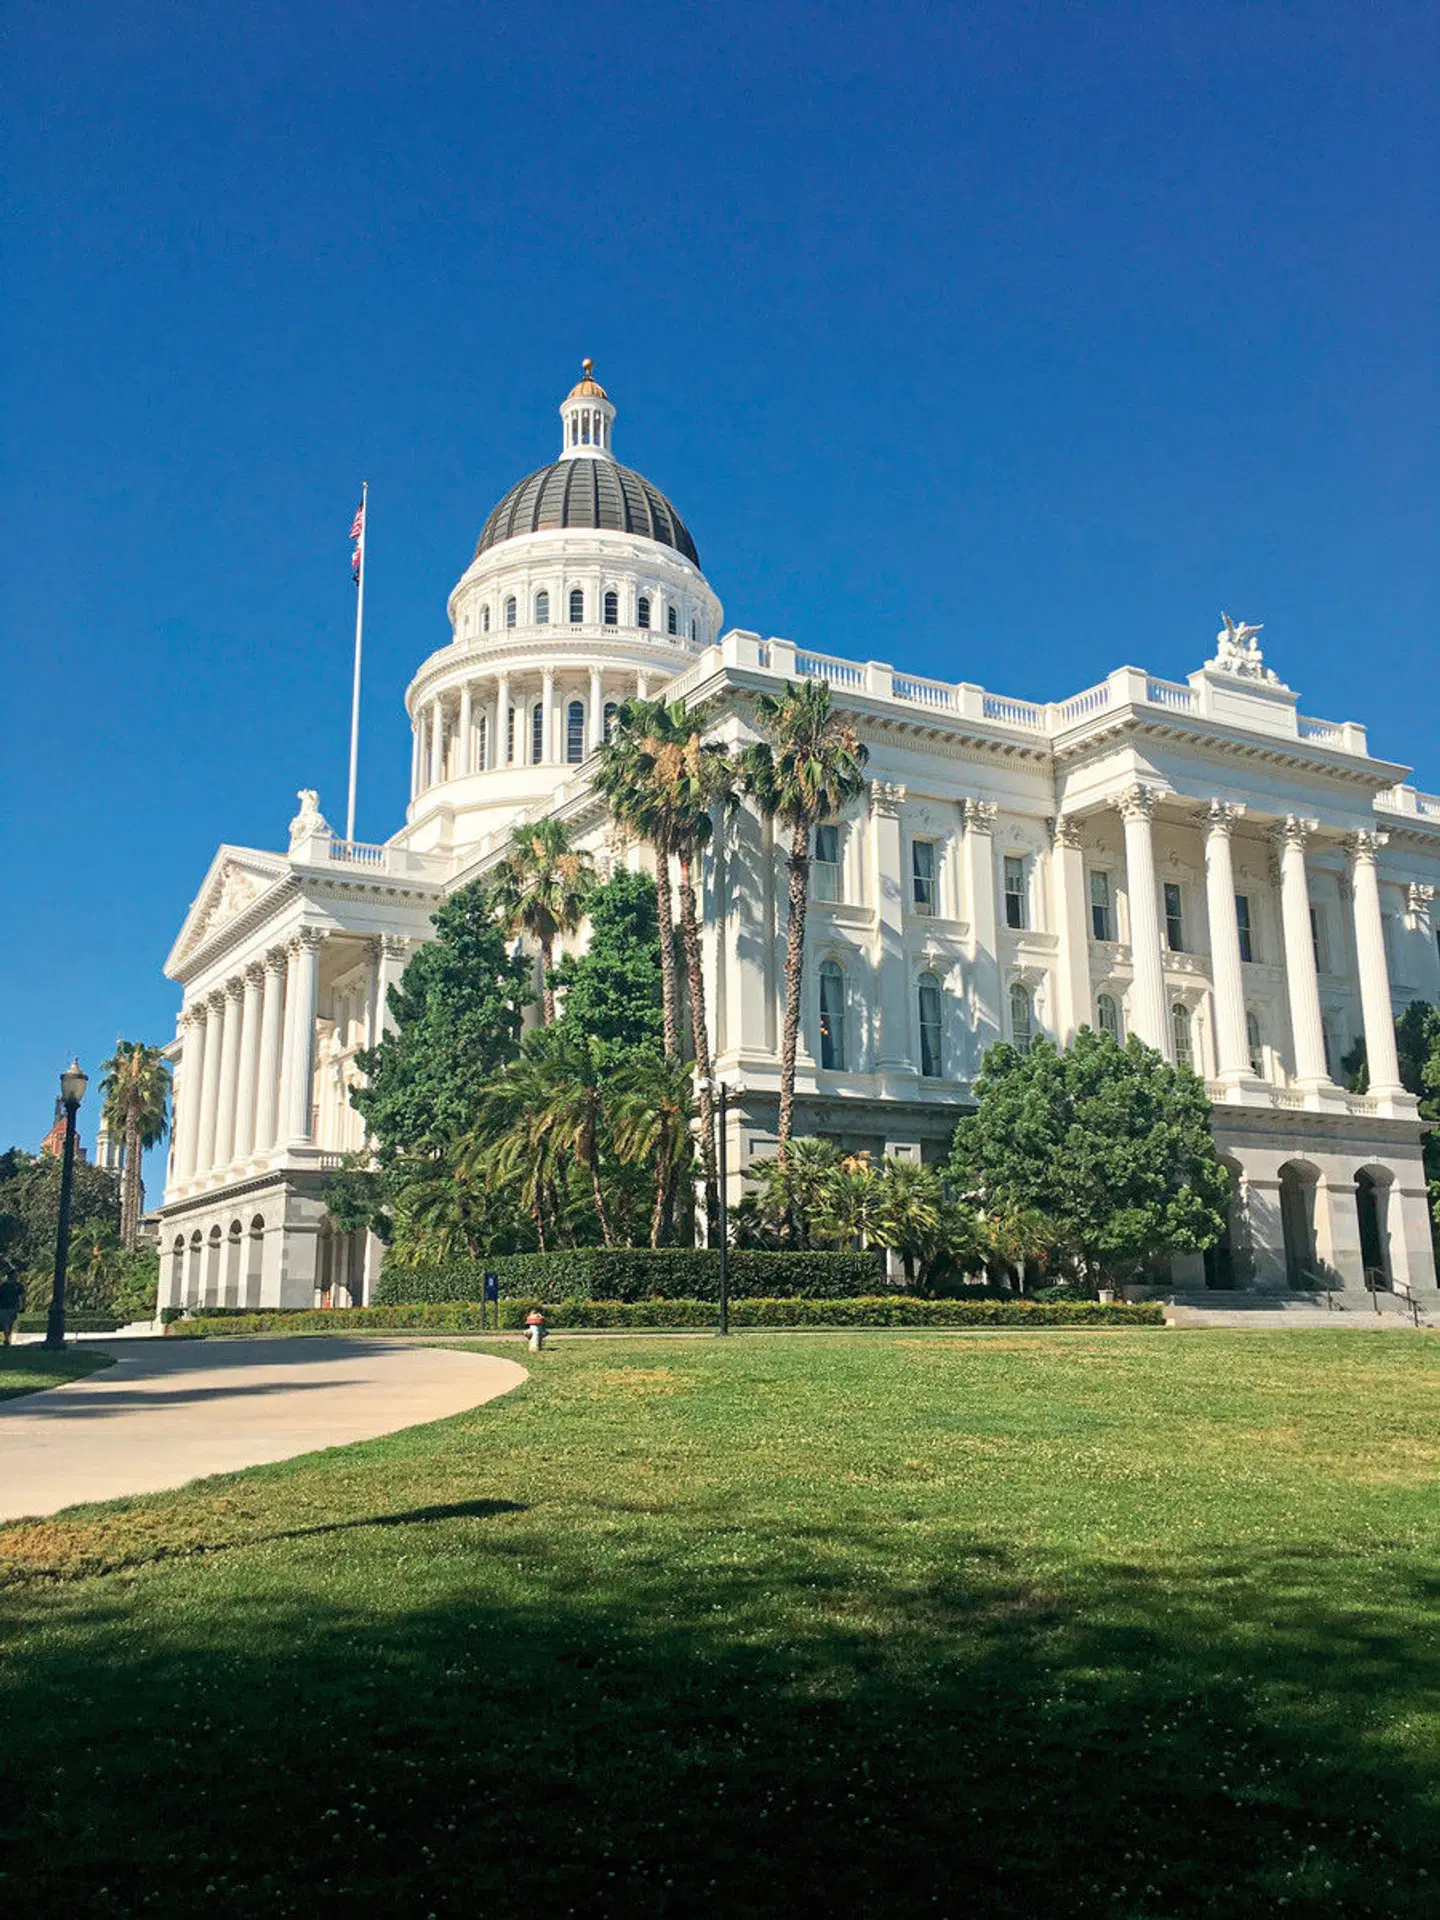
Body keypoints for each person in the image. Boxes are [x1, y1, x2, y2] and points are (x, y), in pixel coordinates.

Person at [0, 1275, 26, 1346]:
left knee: (10, 1323)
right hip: (4, 1307)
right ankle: (6, 1339)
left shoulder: (18, 1286)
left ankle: (7, 1338)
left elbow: (23, 1296)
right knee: (6, 1323)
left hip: (13, 1307)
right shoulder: (4, 1286)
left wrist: (22, 1305)